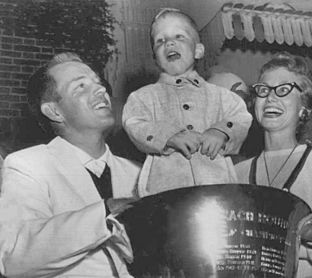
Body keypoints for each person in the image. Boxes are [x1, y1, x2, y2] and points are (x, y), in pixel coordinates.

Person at [0, 52, 141, 278]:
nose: (101, 90)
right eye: (81, 86)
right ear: (54, 111)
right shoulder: (27, 165)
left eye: (98, 82)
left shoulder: (140, 173)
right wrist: (108, 210)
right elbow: (15, 258)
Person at [234, 52, 312, 277]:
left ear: (304, 107)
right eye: (264, 90)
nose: (271, 98)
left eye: (283, 90)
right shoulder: (235, 174)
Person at [122, 8, 252, 197]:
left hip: (217, 187)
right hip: (165, 189)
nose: (169, 43)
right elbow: (134, 122)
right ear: (155, 59)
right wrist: (167, 136)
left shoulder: (221, 96)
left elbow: (240, 116)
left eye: (179, 36)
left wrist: (221, 131)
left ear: (198, 50)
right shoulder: (142, 97)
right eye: (160, 41)